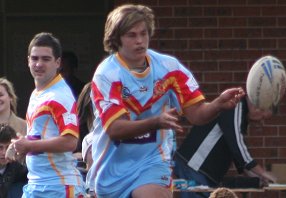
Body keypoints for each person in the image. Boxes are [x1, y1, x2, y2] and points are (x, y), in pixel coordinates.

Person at [88, 4, 245, 198]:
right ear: (116, 39)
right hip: (111, 171)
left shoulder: (169, 67)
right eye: (131, 35)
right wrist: (156, 122)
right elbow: (115, 129)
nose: (140, 41)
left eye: (144, 34)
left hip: (152, 162)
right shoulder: (107, 74)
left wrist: (218, 105)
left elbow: (196, 114)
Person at [13, 32, 86, 197]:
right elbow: (41, 136)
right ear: (28, 61)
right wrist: (20, 144)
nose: (38, 64)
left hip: (59, 187)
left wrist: (29, 146)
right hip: (36, 185)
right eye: (34, 58)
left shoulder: (60, 96)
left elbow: (70, 141)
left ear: (58, 62)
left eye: (46, 59)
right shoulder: (38, 93)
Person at [173, 96, 277, 198]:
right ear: (258, 108)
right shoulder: (235, 107)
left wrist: (255, 176)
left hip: (201, 171)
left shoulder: (240, 114)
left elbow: (235, 150)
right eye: (262, 117)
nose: (261, 121)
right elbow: (237, 145)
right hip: (195, 167)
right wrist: (262, 173)